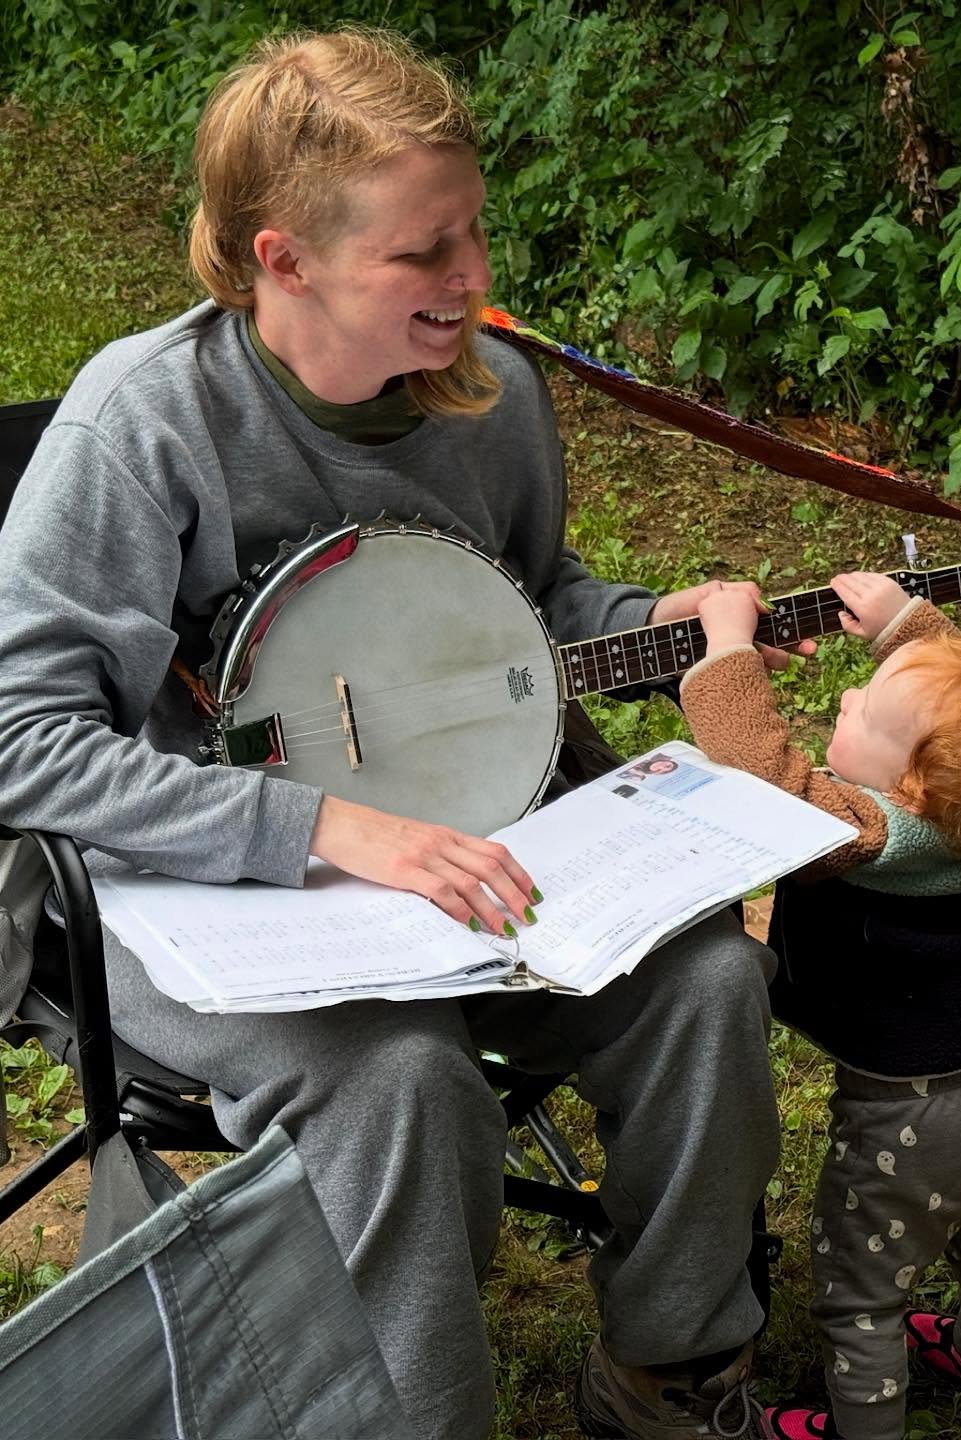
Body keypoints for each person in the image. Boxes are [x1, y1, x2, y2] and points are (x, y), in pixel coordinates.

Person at [0, 29, 812, 1440]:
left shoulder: (488, 401)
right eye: (425, 254)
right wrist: (321, 830)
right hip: (200, 897)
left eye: (475, 233)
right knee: (404, 1080)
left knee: (706, 987)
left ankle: (669, 1374)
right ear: (286, 259)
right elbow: (23, 739)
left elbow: (530, 604)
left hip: (472, 849)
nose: (475, 279)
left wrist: (667, 616)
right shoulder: (150, 423)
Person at [680, 572, 961, 1440]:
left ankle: (864, 1426)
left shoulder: (867, 834)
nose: (848, 696)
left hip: (906, 1126)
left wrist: (731, 651)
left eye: (860, 714)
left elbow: (764, 775)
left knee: (861, 1287)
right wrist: (905, 626)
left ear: (915, 788)